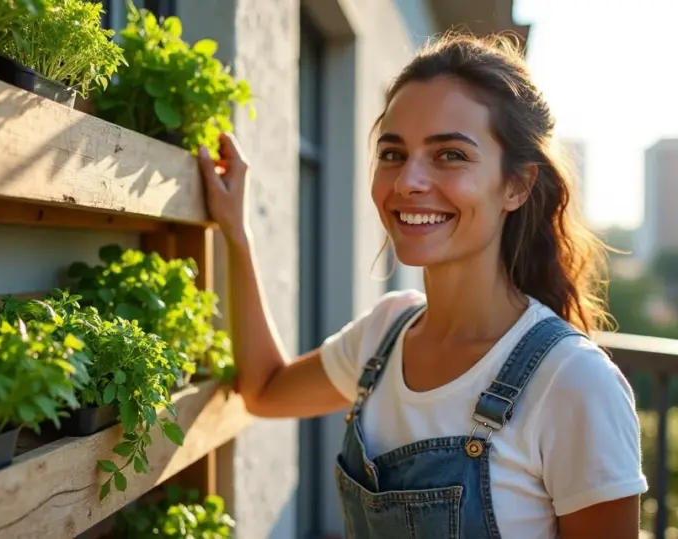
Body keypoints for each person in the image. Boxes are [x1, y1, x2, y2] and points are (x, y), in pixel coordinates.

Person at [196, 31, 647, 539]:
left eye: (450, 155)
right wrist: (237, 233)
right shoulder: (383, 335)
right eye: (393, 153)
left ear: (517, 185)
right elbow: (264, 390)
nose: (407, 181)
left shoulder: (573, 382)